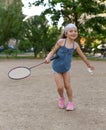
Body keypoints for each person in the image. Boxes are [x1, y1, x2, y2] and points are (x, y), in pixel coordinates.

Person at [45, 23, 94, 111]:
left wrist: (89, 65)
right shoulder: (61, 42)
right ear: (66, 33)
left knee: (67, 85)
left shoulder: (75, 45)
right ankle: (61, 98)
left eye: (75, 31)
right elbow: (52, 52)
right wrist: (48, 57)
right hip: (56, 68)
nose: (73, 33)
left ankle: (70, 103)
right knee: (60, 87)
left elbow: (83, 56)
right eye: (71, 31)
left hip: (66, 68)